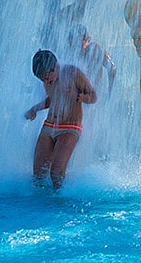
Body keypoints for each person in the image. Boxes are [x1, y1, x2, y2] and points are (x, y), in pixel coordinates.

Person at [24, 49, 97, 189]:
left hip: (70, 127)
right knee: (38, 176)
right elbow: (52, 99)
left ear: (56, 66)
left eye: (47, 77)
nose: (46, 81)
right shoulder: (47, 79)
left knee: (56, 174)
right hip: (49, 126)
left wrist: (78, 96)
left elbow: (93, 96)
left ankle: (62, 202)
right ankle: (42, 206)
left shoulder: (73, 73)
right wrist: (34, 109)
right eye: (42, 79)